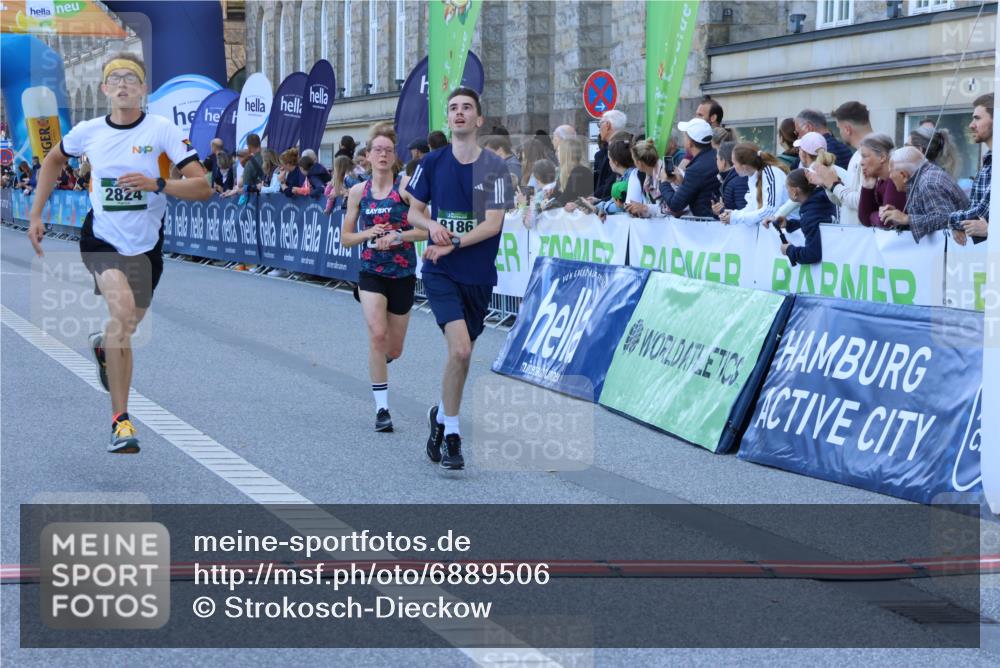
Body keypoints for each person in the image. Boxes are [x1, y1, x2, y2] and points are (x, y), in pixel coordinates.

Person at [27, 52, 212, 453]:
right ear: (105, 89)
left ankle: (103, 344)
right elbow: (54, 161)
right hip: (102, 240)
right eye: (117, 78)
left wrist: (157, 184)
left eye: (133, 78)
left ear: (144, 89)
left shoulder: (163, 130)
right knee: (124, 313)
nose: (125, 84)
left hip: (147, 248)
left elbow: (203, 186)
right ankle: (121, 422)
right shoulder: (88, 131)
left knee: (122, 328)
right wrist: (36, 212)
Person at [406, 87, 513, 471]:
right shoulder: (431, 164)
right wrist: (432, 224)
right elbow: (413, 214)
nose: (460, 113)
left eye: (467, 108)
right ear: (448, 120)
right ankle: (452, 434)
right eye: (453, 109)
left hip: (478, 275)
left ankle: (440, 416)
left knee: (461, 354)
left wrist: (456, 240)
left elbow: (494, 223)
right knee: (463, 350)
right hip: (440, 269)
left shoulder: (496, 169)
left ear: (479, 119)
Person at [340, 124, 426, 432]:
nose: (383, 155)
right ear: (367, 155)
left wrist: (398, 235)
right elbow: (346, 238)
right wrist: (370, 233)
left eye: (388, 150)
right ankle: (382, 410)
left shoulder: (406, 188)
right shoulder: (357, 192)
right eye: (377, 149)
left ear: (394, 155)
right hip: (371, 271)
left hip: (402, 273)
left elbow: (426, 229)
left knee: (393, 349)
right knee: (377, 336)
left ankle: (381, 361)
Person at [882, 146, 969, 242]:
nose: (890, 177)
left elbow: (945, 218)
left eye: (891, 172)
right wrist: (898, 218)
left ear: (903, 175)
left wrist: (907, 219)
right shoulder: (922, 177)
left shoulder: (928, 183)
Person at [808, 100, 873, 230]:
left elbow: (862, 202)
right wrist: (828, 184)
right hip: (854, 234)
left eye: (838, 128)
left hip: (863, 238)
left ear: (847, 129)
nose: (840, 133)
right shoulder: (858, 155)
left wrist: (834, 185)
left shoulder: (872, 155)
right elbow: (845, 201)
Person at [770, 168, 837, 266]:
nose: (787, 191)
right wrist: (789, 224)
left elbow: (812, 254)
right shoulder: (821, 201)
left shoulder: (811, 215)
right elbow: (816, 224)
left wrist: (789, 250)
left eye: (787, 188)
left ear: (794, 191)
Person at [949, 93, 992, 243]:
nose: (971, 125)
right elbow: (974, 213)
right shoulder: (989, 160)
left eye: (977, 118)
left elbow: (982, 211)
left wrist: (952, 220)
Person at [657, 118, 720, 218]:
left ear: (690, 142)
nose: (683, 139)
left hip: (708, 225)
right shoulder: (717, 156)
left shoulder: (696, 169)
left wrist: (664, 182)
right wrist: (682, 181)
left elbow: (675, 205)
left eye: (685, 136)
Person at [718, 143, 789, 226]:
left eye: (734, 163)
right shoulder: (752, 175)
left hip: (788, 229)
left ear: (744, 166)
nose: (733, 167)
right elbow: (752, 206)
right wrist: (734, 214)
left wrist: (737, 217)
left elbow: (770, 210)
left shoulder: (771, 173)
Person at [793, 132, 852, 223]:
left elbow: (797, 197)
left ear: (804, 154)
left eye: (799, 150)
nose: (799, 153)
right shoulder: (837, 169)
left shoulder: (812, 174)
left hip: (837, 226)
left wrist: (777, 215)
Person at [856, 134, 906, 229]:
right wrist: (867, 187)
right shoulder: (881, 181)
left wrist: (873, 215)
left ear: (882, 157)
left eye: (865, 156)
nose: (861, 163)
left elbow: (886, 221)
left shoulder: (895, 179)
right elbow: (864, 219)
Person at [623, 139, 663, 217]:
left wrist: (645, 208)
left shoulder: (664, 174)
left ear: (639, 163)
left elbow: (670, 209)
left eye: (634, 160)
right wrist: (636, 209)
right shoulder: (648, 178)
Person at [593, 109, 627, 199]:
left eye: (599, 125)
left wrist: (598, 201)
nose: (599, 129)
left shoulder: (617, 150)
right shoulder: (625, 146)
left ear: (607, 125)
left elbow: (610, 182)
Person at [553, 135, 592, 208]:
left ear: (565, 153)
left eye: (559, 151)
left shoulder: (580, 171)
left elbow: (566, 198)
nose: (556, 154)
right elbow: (555, 195)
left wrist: (547, 206)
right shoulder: (564, 172)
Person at [713, 140, 749, 216]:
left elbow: (743, 213)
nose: (716, 162)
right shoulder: (732, 179)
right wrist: (719, 211)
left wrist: (722, 210)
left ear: (723, 162)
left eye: (717, 159)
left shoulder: (739, 181)